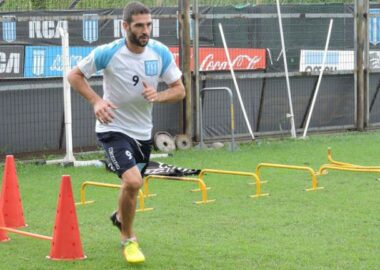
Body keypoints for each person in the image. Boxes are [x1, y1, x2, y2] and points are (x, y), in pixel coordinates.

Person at [68, 1, 185, 264]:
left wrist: (158, 95)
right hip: (113, 129)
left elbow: (180, 90)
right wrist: (96, 101)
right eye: (139, 26)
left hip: (143, 133)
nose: (145, 31)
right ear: (125, 26)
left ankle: (120, 218)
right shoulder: (108, 52)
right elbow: (74, 75)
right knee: (133, 181)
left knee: (130, 187)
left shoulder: (160, 52)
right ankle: (128, 239)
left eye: (148, 25)